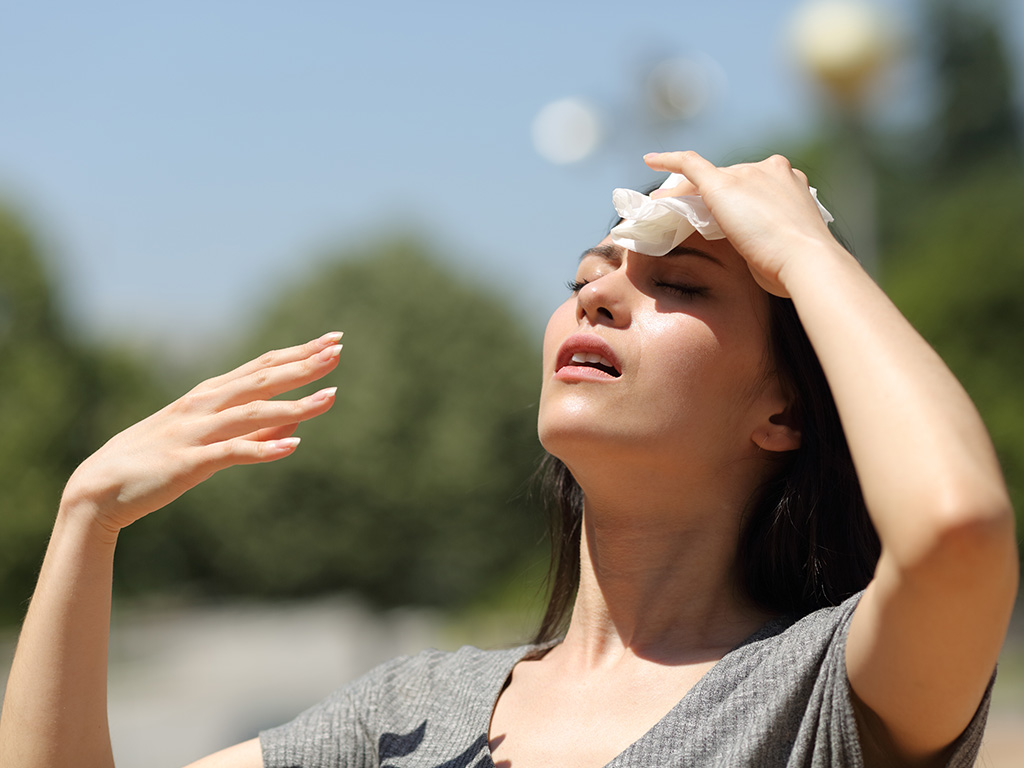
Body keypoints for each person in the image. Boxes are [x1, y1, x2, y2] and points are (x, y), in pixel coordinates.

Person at [0, 151, 1017, 768]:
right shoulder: (407, 718)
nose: (600, 295)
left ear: (784, 410)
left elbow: (953, 531)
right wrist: (87, 520)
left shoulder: (823, 696)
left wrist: (802, 247)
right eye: (586, 274)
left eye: (685, 286)